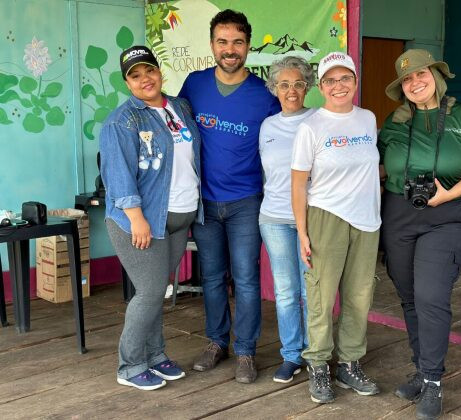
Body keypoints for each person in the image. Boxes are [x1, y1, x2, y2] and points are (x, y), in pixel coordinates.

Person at [378, 49, 461, 419]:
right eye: (407, 79)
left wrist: (449, 193)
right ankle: (421, 367)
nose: (415, 82)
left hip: (446, 212)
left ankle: (433, 380)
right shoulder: (395, 121)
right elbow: (378, 167)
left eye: (420, 74)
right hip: (399, 212)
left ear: (437, 76)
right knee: (410, 297)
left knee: (431, 296)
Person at [178, 9, 281, 384]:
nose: (230, 49)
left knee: (247, 278)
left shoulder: (264, 95)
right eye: (222, 42)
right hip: (204, 202)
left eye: (237, 42)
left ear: (248, 46)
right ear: (212, 45)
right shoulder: (194, 84)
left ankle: (246, 351)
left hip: (246, 201)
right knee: (213, 278)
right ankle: (216, 342)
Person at [100, 45, 203, 391]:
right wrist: (136, 218)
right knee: (150, 291)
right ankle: (129, 365)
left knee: (158, 289)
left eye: (149, 70)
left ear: (159, 72)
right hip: (143, 220)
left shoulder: (179, 107)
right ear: (127, 83)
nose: (145, 79)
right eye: (135, 75)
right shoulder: (122, 120)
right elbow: (118, 174)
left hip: (178, 215)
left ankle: (156, 356)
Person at [291, 52, 382, 404]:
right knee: (322, 295)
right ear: (321, 87)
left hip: (367, 220)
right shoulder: (311, 127)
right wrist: (302, 231)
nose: (338, 86)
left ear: (356, 82)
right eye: (331, 80)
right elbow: (298, 184)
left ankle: (349, 363)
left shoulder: (367, 119)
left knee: (360, 297)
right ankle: (317, 364)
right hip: (326, 216)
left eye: (345, 78)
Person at [259, 56, 316, 383]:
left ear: (307, 86)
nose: (291, 90)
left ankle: (315, 354)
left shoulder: (319, 120)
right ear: (274, 88)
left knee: (311, 291)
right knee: (284, 291)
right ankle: (291, 355)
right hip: (274, 218)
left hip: (311, 218)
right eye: (284, 84)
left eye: (297, 83)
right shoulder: (268, 126)